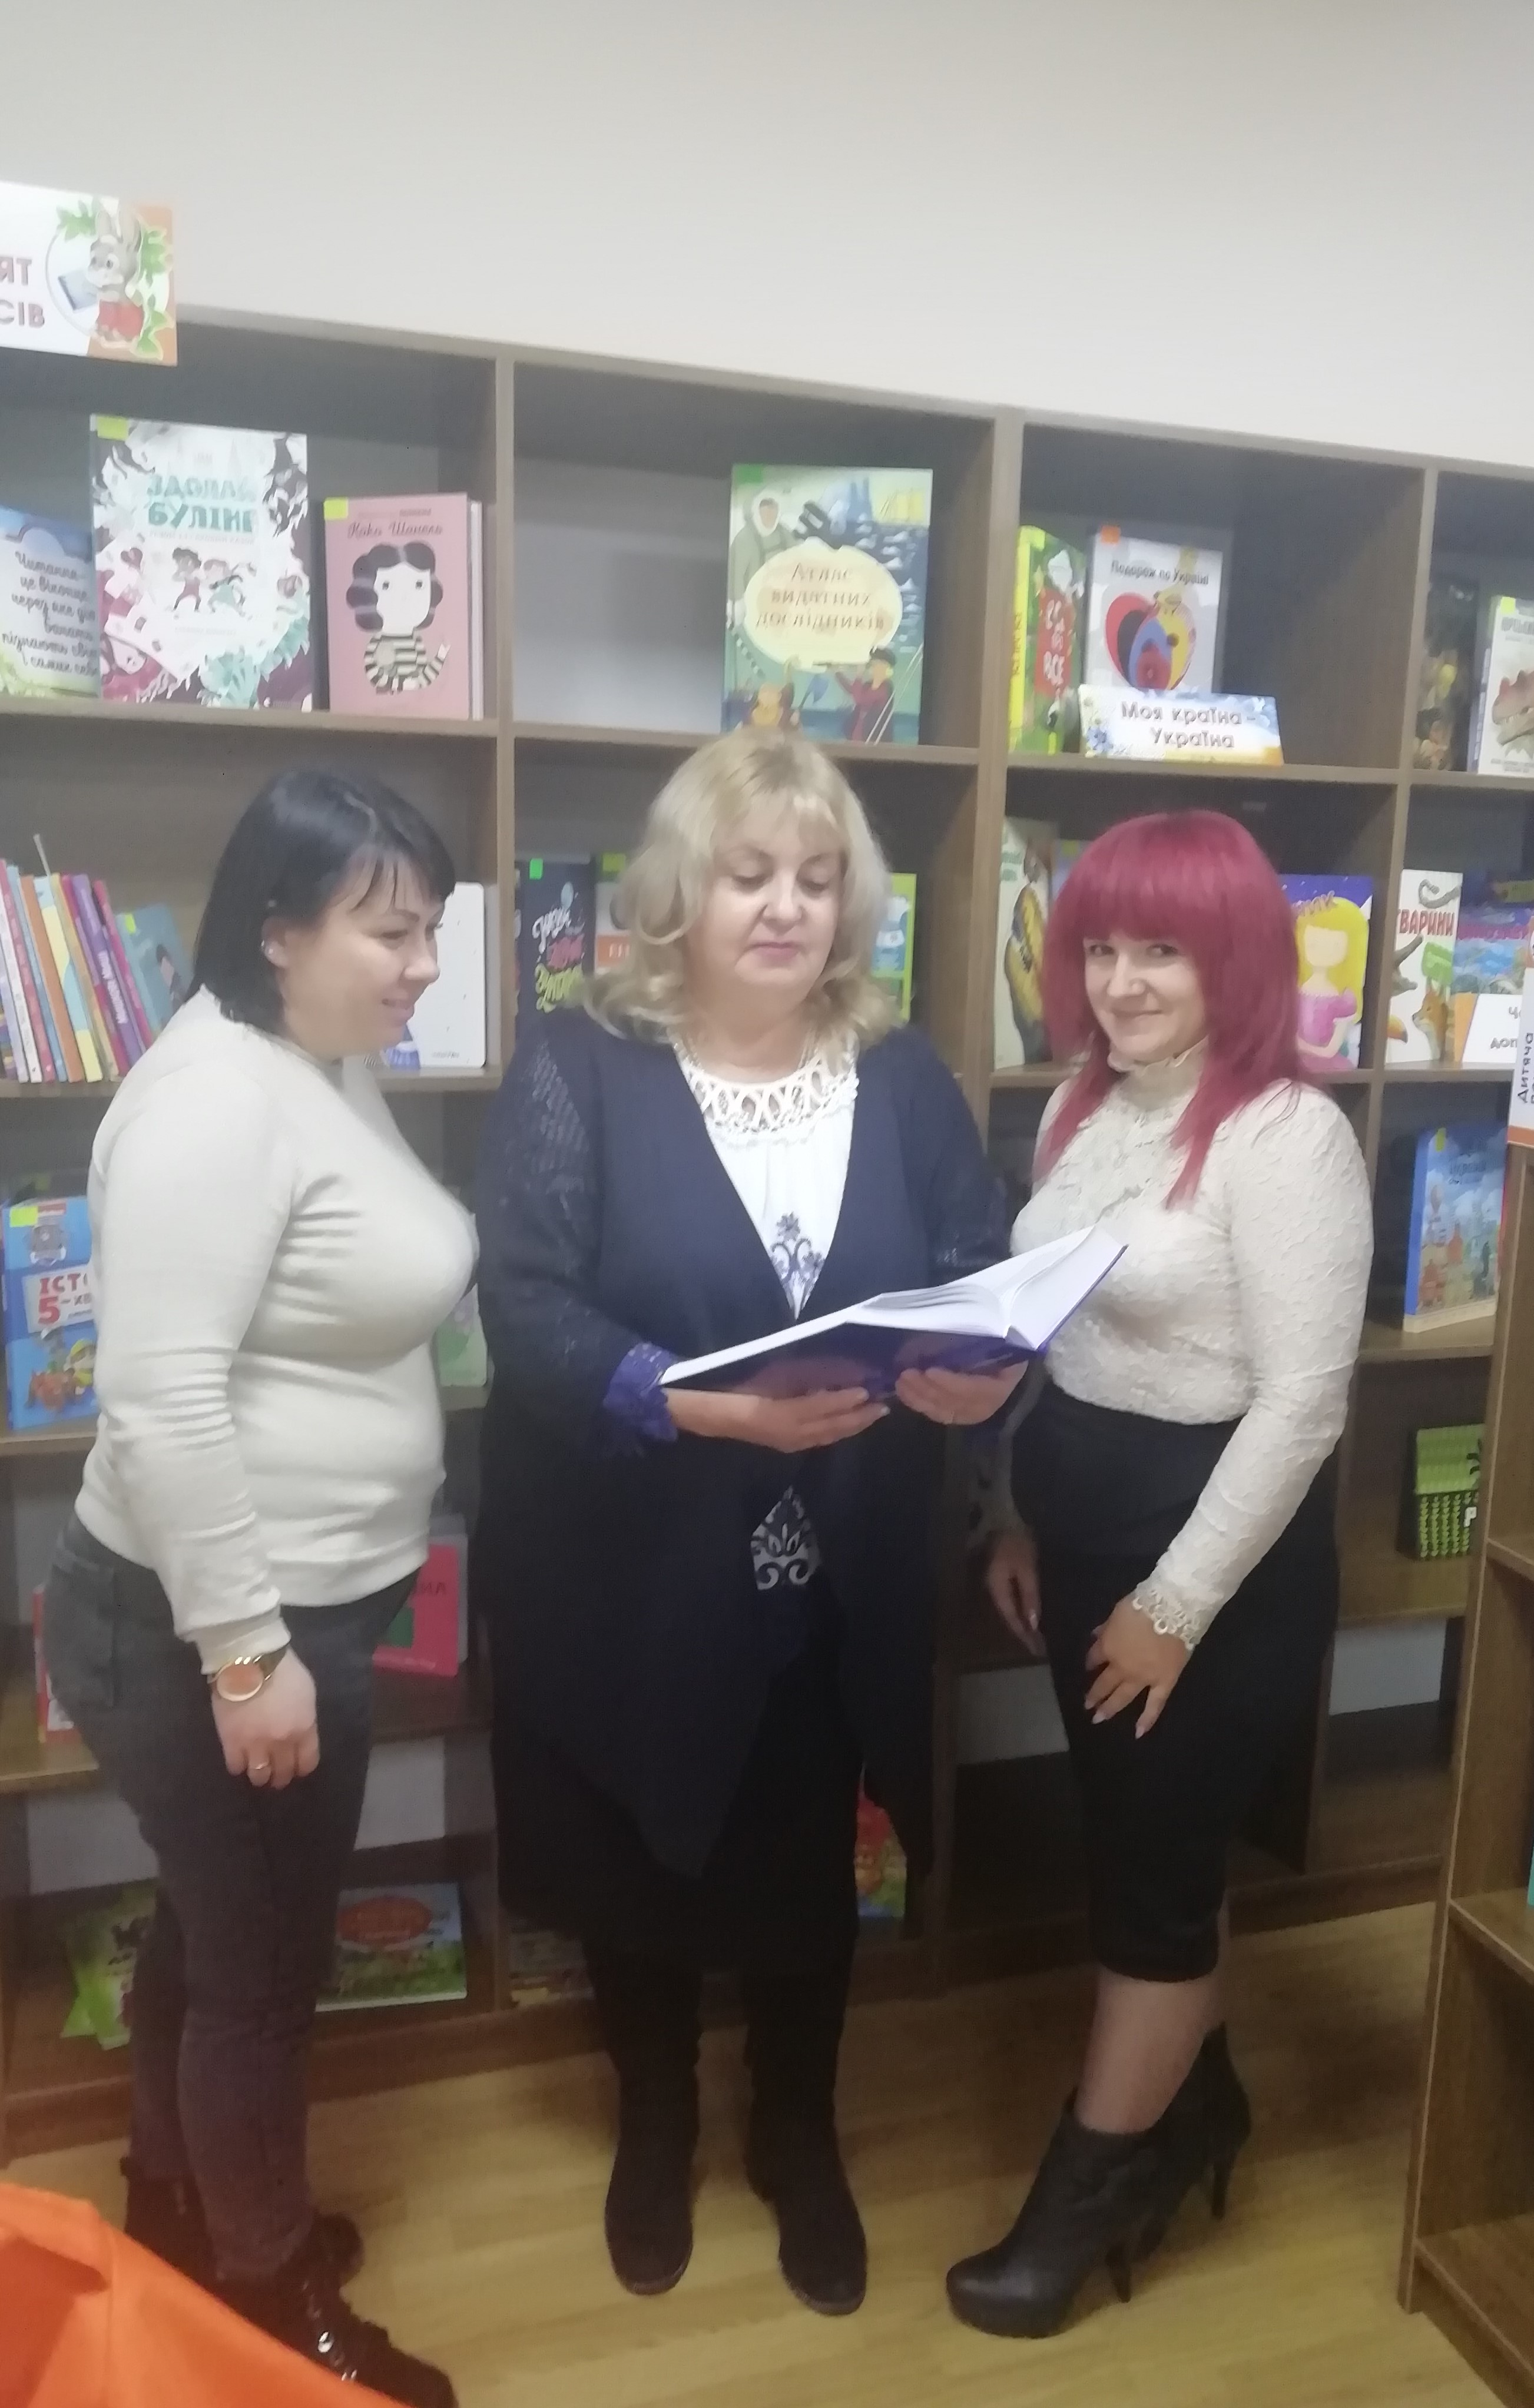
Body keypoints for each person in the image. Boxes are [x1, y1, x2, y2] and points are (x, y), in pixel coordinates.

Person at [474, 727, 1018, 2316]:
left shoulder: (903, 1076)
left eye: (818, 877)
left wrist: (983, 1373)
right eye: (749, 873)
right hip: (632, 1567)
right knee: (640, 1856)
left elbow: (974, 1263)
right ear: (680, 893)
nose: (786, 906)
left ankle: (797, 2130)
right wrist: (695, 1404)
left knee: (804, 1861)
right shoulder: (579, 1064)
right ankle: (656, 2120)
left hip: (840, 1564)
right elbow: (526, 1309)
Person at [41, 768, 475, 2408]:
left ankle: (177, 2208)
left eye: (431, 927)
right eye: (389, 930)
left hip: (291, 1614)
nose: (421, 963)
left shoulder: (317, 1057)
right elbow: (162, 1401)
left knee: (217, 1935)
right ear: (278, 929)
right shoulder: (214, 1102)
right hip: (208, 1630)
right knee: (264, 1979)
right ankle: (275, 2298)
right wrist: (243, 1656)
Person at [946, 810, 1373, 2340]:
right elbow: (1049, 1330)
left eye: (1164, 951)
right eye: (1102, 947)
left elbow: (1304, 1404)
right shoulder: (1084, 1103)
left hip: (1215, 1569)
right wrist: (1017, 1513)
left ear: (1236, 960)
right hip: (1084, 1541)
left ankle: (1086, 2193)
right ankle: (1198, 2104)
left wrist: (1174, 1608)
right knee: (1148, 1854)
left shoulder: (1287, 1135)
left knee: (1150, 1884)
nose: (1121, 981)